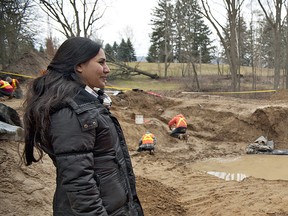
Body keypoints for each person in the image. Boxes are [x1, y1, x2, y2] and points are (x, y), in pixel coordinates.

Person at [22, 37, 144, 216]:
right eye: (101, 62)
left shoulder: (87, 104)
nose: (107, 69)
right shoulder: (71, 112)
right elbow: (80, 183)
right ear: (79, 66)